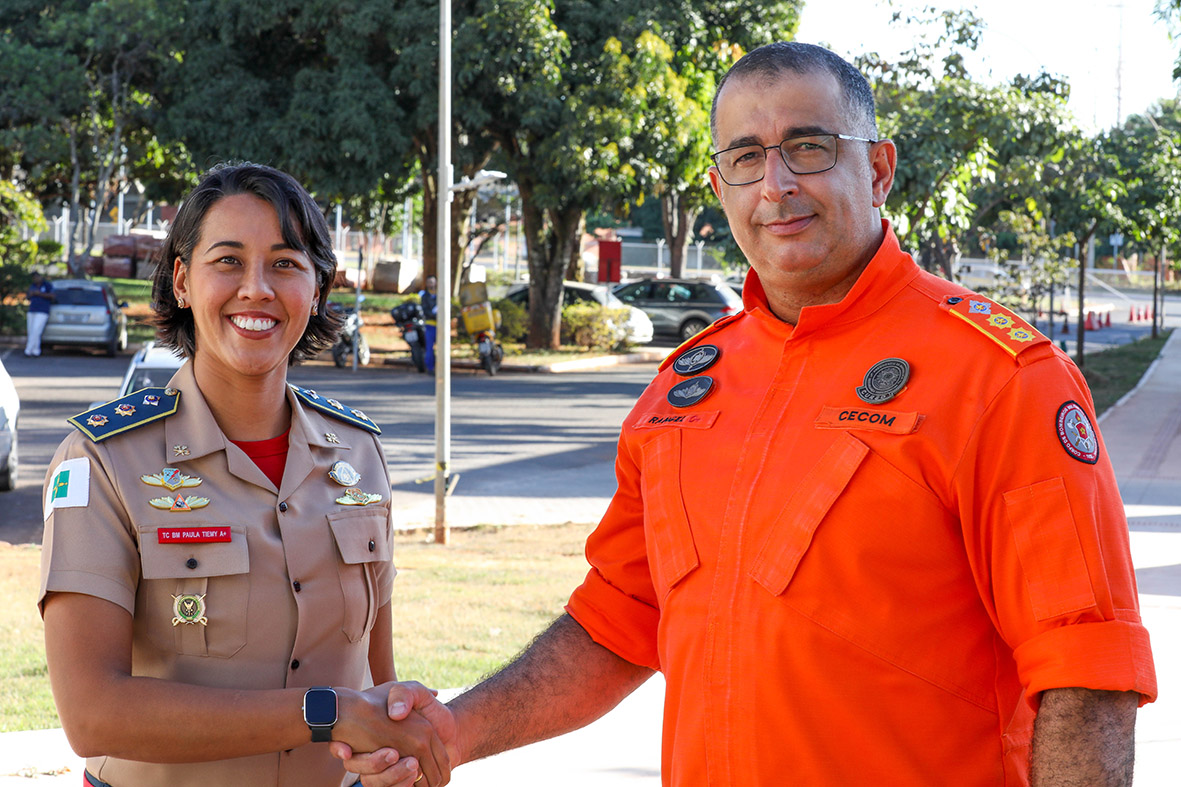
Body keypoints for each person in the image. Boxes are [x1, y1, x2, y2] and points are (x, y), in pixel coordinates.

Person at [341, 42, 1159, 786]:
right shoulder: (682, 390)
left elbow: (1085, 669)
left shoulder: (999, 376)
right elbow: (618, 622)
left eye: (808, 147)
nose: (776, 185)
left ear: (877, 170)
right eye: (745, 156)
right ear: (717, 187)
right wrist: (454, 729)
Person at [39, 163, 448, 787]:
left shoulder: (358, 453)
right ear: (181, 280)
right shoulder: (101, 461)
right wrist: (325, 714)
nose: (256, 288)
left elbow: (377, 677)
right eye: (227, 261)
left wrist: (396, 754)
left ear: (317, 290)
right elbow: (94, 715)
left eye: (285, 263)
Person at [25, 271, 55, 356]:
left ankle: (28, 350)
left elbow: (52, 296)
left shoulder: (47, 285)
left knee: (36, 330)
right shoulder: (32, 286)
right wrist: (31, 294)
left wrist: (39, 294)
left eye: (36, 277)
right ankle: (35, 351)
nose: (35, 279)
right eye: (34, 278)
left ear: (40, 277)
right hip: (32, 310)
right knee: (32, 331)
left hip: (42, 311)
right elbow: (27, 297)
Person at [418, 276, 438, 373]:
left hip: (441, 325)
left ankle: (441, 366)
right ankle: (430, 367)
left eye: (432, 282)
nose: (431, 284)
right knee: (429, 348)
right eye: (429, 282)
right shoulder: (425, 296)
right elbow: (425, 310)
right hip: (430, 324)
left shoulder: (441, 294)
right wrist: (433, 314)